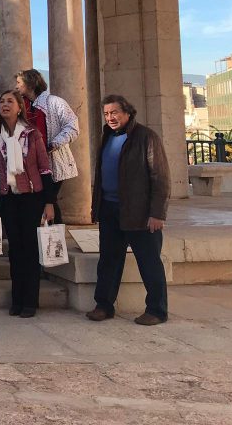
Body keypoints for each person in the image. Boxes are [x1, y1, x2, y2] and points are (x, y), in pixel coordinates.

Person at [87, 94, 170, 326]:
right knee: (108, 261)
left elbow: (160, 177)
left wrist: (157, 213)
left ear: (127, 112)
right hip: (110, 210)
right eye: (106, 113)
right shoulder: (107, 136)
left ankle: (157, 310)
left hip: (139, 212)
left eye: (114, 112)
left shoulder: (146, 137)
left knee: (149, 262)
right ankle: (104, 305)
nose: (110, 117)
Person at [0, 91, 55, 318]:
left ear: (19, 108)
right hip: (7, 197)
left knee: (30, 248)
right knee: (15, 249)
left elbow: (44, 168)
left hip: (31, 197)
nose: (5, 105)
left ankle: (30, 301)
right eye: (2, 101)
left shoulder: (32, 134)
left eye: (10, 101)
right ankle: (17, 300)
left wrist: (49, 202)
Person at [15, 68, 80, 224]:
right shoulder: (22, 105)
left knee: (48, 200)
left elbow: (72, 126)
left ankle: (54, 235)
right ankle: (48, 235)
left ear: (30, 84)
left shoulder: (55, 102)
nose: (16, 86)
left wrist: (54, 144)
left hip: (54, 161)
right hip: (31, 164)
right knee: (43, 201)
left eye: (19, 82)